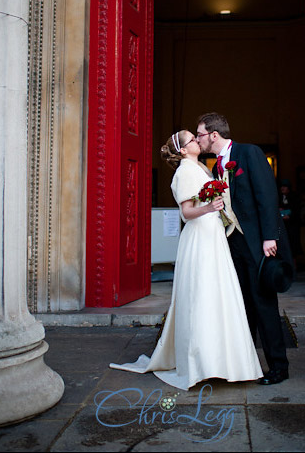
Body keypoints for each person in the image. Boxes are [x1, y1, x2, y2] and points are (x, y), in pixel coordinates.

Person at [110, 130, 262, 390]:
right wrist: (209, 208)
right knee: (201, 295)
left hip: (213, 234)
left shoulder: (201, 168)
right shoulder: (184, 172)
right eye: (192, 139)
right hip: (199, 237)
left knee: (219, 295)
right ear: (182, 150)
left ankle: (223, 361)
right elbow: (186, 212)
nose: (196, 141)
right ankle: (201, 363)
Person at [196, 112, 294, 385]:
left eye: (201, 134)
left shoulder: (248, 153)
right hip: (233, 244)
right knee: (242, 306)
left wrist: (269, 237)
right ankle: (246, 365)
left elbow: (267, 195)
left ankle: (278, 367)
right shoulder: (216, 166)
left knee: (263, 304)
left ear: (214, 135)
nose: (198, 139)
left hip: (257, 244)